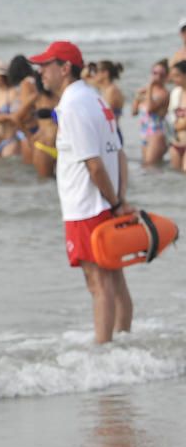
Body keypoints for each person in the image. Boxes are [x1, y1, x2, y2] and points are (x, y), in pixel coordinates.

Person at [30, 41, 133, 345]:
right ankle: (125, 348)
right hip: (103, 202)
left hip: (86, 206)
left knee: (98, 283)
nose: (40, 72)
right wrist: (120, 200)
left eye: (46, 65)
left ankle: (103, 356)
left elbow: (95, 165)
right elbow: (120, 155)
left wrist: (114, 202)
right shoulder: (96, 99)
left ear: (64, 68)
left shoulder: (72, 106)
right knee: (115, 279)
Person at [131, 59, 170, 167]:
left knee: (151, 166)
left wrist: (150, 87)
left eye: (161, 74)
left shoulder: (164, 93)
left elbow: (149, 109)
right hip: (144, 132)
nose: (157, 77)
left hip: (156, 133)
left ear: (166, 77)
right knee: (146, 167)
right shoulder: (146, 92)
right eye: (154, 73)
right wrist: (137, 97)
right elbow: (134, 112)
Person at [168, 60, 186, 172]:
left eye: (177, 76)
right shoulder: (175, 93)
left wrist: (177, 126)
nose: (173, 79)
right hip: (176, 142)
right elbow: (171, 116)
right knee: (176, 178)